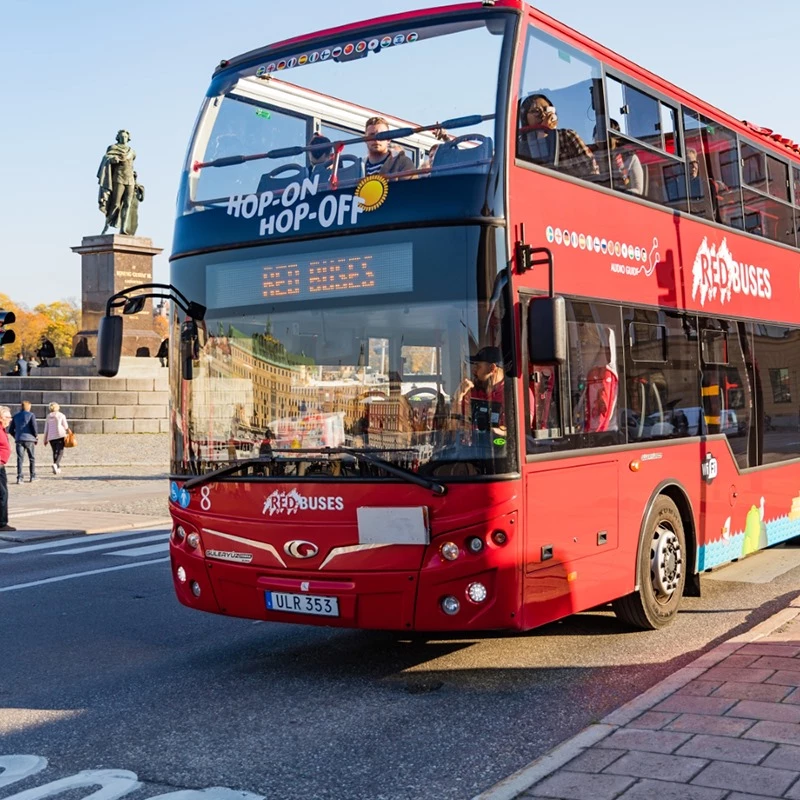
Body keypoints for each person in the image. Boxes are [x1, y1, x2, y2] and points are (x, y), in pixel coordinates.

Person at [518, 93, 599, 180]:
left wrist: (545, 130)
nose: (543, 114)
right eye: (536, 111)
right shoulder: (518, 142)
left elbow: (591, 169)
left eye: (547, 109)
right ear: (525, 117)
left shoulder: (566, 135)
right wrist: (542, 131)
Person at [453, 346, 506, 434]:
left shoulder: (514, 394)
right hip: (472, 446)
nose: (474, 371)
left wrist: (489, 432)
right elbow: (454, 426)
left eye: (478, 366)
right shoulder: (473, 391)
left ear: (492, 368)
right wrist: (458, 396)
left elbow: (519, 432)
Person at [97, 129, 137, 235]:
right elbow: (106, 158)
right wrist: (111, 159)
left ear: (128, 138)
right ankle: (106, 226)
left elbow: (131, 166)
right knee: (115, 204)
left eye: (125, 137)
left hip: (130, 180)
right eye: (121, 136)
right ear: (118, 137)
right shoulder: (113, 148)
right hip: (118, 178)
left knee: (127, 204)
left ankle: (123, 228)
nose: (123, 138)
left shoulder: (132, 151)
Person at [608, 119, 644, 196]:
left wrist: (619, 194)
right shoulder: (592, 157)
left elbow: (638, 190)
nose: (602, 139)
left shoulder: (630, 159)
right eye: (597, 135)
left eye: (608, 135)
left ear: (617, 138)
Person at [8, 400, 38, 484]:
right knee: (31, 458)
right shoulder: (31, 415)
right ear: (29, 407)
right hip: (29, 439)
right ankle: (32, 476)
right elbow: (34, 427)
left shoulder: (16, 416)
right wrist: (36, 436)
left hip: (19, 440)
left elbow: (10, 430)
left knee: (20, 459)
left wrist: (16, 436)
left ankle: (19, 477)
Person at [43, 402, 70, 475]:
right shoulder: (61, 415)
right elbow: (65, 426)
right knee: (60, 451)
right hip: (60, 435)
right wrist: (68, 431)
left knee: (55, 452)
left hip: (51, 437)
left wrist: (45, 439)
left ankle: (57, 467)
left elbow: (46, 428)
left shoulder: (48, 416)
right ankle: (56, 464)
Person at [0, 406, 15, 533]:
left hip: (1, 465)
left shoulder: (2, 429)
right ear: (1, 418)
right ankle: (2, 523)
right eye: (7, 417)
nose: (10, 419)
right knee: (2, 494)